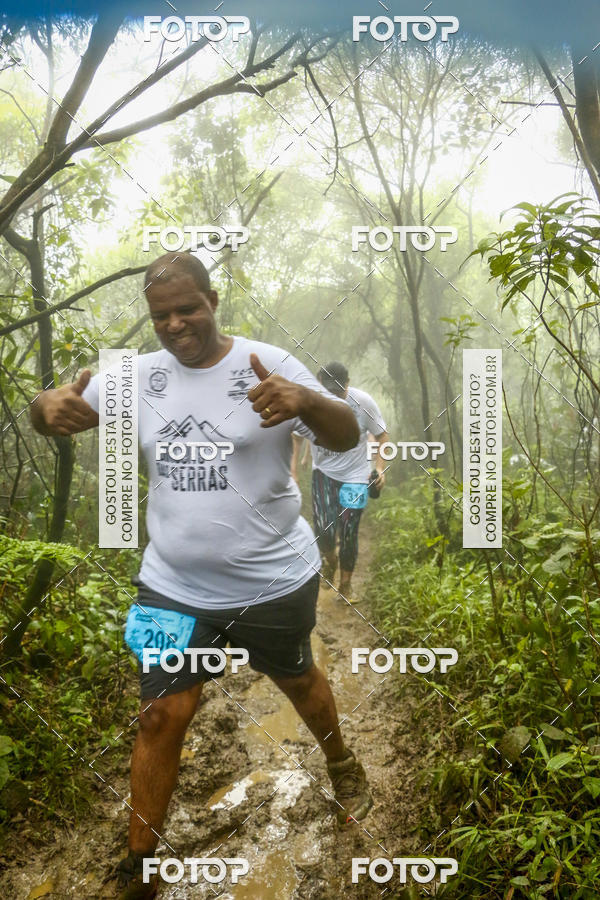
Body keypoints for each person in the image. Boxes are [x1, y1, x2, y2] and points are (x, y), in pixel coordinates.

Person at [30, 254, 373, 899]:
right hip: (172, 584)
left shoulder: (265, 362)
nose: (175, 323)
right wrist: (44, 408)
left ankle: (341, 762)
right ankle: (140, 868)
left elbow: (346, 429)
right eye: (161, 315)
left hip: (272, 579)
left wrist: (302, 399)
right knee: (161, 714)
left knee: (297, 680)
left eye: (187, 308)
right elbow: (59, 408)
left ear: (212, 300)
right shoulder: (134, 377)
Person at [292, 362, 388, 603]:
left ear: (347, 384)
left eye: (339, 391)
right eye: (329, 392)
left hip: (356, 477)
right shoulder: (310, 402)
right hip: (323, 474)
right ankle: (330, 560)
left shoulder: (363, 402)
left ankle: (345, 587)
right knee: (323, 529)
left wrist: (379, 468)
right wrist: (293, 470)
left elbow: (381, 435)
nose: (334, 397)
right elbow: (296, 438)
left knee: (348, 532)